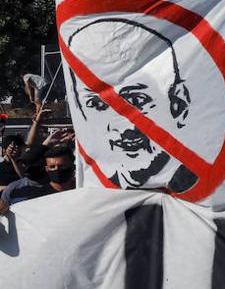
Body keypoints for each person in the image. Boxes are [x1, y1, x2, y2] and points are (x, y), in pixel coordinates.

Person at [65, 16, 200, 193]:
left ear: (178, 104)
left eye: (136, 100)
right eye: (98, 105)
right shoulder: (95, 196)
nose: (119, 126)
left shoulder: (213, 195)